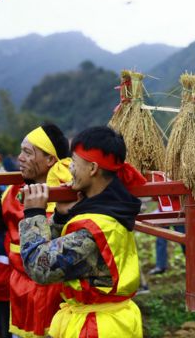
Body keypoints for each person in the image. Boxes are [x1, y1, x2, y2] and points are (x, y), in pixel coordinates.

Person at [19, 126, 145, 336]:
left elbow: (39, 268)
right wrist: (60, 216)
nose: (69, 171)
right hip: (108, 321)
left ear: (93, 169)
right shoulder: (111, 207)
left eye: (74, 164)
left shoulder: (94, 229)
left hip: (97, 328)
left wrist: (33, 214)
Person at [0, 123, 72, 337]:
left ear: (50, 160)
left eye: (28, 152)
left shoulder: (71, 192)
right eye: (21, 151)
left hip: (61, 295)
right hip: (21, 293)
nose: (19, 157)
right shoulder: (14, 192)